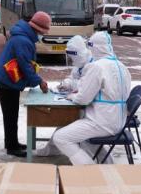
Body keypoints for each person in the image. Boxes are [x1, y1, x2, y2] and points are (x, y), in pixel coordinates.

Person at [50, 31, 131, 165]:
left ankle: (90, 171)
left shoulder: (97, 67)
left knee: (61, 138)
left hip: (102, 121)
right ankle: (107, 165)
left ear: (95, 47)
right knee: (81, 136)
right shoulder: (122, 66)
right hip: (119, 121)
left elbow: (83, 99)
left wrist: (71, 96)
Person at [0, 11, 51, 158]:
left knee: (11, 114)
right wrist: (39, 82)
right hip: (6, 82)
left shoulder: (23, 36)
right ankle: (12, 147)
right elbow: (25, 65)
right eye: (43, 31)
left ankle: (12, 143)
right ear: (38, 29)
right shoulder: (23, 40)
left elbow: (27, 64)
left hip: (7, 80)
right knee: (10, 115)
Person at [36, 35, 93, 157]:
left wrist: (72, 85)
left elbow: (86, 86)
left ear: (79, 53)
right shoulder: (80, 63)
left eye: (73, 56)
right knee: (66, 119)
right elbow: (73, 77)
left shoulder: (92, 65)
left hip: (90, 107)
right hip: (79, 103)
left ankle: (55, 150)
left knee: (67, 120)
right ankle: (52, 149)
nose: (72, 60)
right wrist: (66, 83)